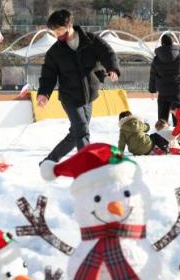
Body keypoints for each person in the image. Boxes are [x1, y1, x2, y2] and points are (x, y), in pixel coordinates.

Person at [37, 9, 120, 164]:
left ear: (69, 25)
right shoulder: (55, 52)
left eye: (60, 30)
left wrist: (112, 68)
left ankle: (50, 161)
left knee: (76, 133)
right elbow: (48, 75)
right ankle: (88, 165)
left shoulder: (91, 40)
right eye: (54, 32)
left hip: (89, 94)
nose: (58, 34)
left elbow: (107, 53)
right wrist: (43, 94)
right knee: (82, 130)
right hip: (69, 96)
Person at [149, 33, 180, 126]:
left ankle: (163, 139)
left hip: (163, 92)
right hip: (177, 91)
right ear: (173, 42)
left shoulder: (157, 58)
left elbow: (153, 75)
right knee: (179, 119)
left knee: (162, 120)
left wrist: (152, 89)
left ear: (162, 43)